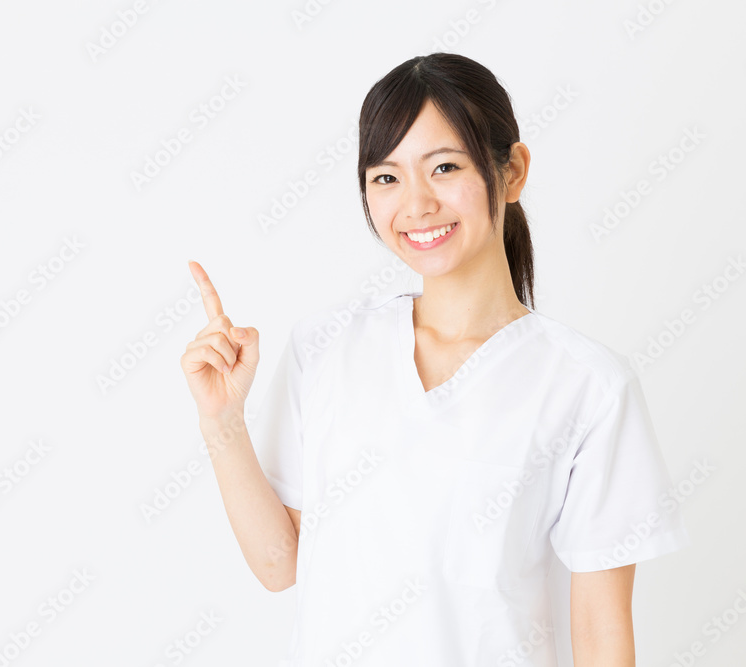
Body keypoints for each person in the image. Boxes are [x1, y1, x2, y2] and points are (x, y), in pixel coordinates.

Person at [180, 52, 691, 667]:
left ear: (512, 172)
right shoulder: (325, 348)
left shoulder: (587, 388)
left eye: (443, 167)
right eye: (387, 178)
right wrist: (222, 422)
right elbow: (278, 566)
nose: (416, 204)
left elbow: (602, 635)